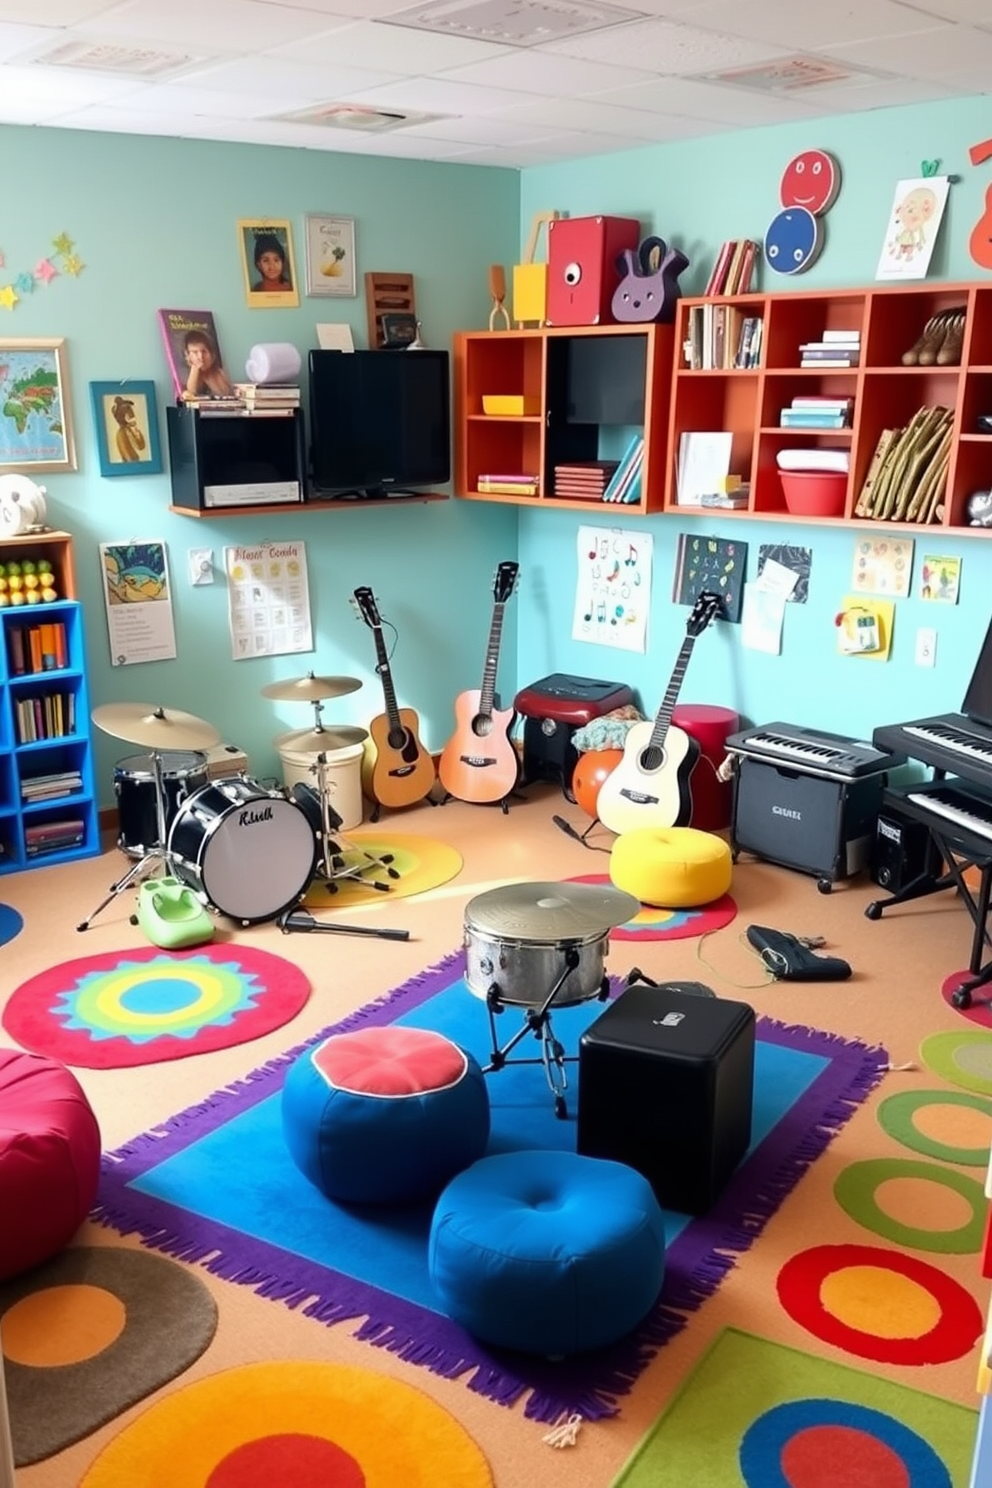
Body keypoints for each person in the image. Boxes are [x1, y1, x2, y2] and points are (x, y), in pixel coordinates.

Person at [181, 328, 234, 401]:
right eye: (195, 352)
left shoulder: (218, 373)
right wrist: (195, 369)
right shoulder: (184, 374)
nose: (200, 357)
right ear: (187, 355)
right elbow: (191, 393)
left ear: (211, 353)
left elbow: (225, 394)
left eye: (204, 351)